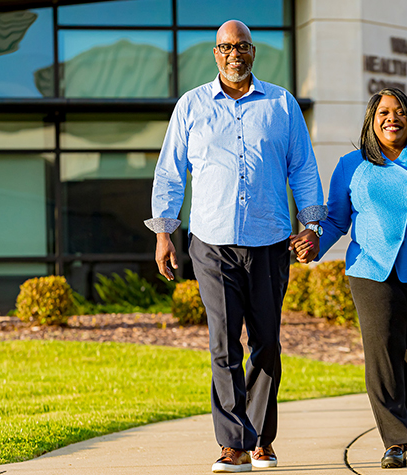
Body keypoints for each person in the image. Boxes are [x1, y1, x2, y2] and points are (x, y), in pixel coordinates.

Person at [144, 19, 326, 474]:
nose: (234, 53)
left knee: (267, 343)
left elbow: (303, 169)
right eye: (226, 47)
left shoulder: (282, 104)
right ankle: (233, 444)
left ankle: (262, 439)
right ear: (215, 54)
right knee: (224, 342)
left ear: (252, 52)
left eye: (242, 46)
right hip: (211, 241)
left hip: (268, 241)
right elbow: (170, 172)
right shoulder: (192, 106)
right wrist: (165, 232)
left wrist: (312, 226)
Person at [292, 87, 407, 469]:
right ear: (372, 119)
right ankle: (395, 441)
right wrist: (315, 242)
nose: (392, 118)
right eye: (384, 112)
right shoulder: (351, 165)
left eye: (400, 111)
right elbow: (337, 219)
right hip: (370, 270)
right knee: (383, 352)